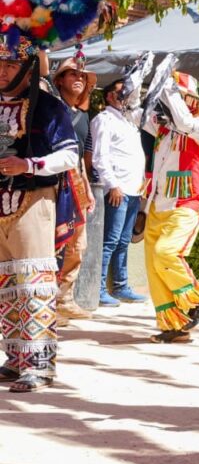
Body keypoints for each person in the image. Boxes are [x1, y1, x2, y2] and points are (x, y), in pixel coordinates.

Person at [0, 32, 79, 392]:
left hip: (34, 199)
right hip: (3, 199)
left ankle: (40, 364)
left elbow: (70, 155)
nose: (3, 71)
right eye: (0, 64)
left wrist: (29, 165)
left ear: (28, 69)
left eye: (11, 64)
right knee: (6, 285)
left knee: (34, 282)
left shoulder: (48, 106)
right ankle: (15, 358)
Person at [142, 71, 199, 343]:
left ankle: (197, 298)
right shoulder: (162, 130)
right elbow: (137, 116)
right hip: (158, 203)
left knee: (166, 252)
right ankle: (176, 326)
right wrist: (141, 87)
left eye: (173, 97)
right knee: (154, 267)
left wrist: (168, 88)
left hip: (188, 199)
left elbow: (184, 122)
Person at [90, 79, 148, 307]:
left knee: (123, 241)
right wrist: (112, 185)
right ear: (109, 96)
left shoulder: (129, 120)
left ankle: (121, 286)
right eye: (120, 91)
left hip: (132, 189)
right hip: (117, 189)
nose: (125, 94)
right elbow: (99, 156)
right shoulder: (103, 119)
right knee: (110, 241)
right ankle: (98, 289)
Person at [49, 55, 97, 324]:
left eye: (82, 76)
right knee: (54, 242)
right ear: (60, 80)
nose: (78, 79)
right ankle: (47, 303)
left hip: (76, 179)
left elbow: (78, 156)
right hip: (54, 180)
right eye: (72, 74)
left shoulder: (83, 116)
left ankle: (64, 298)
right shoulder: (52, 108)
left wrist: (86, 187)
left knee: (79, 244)